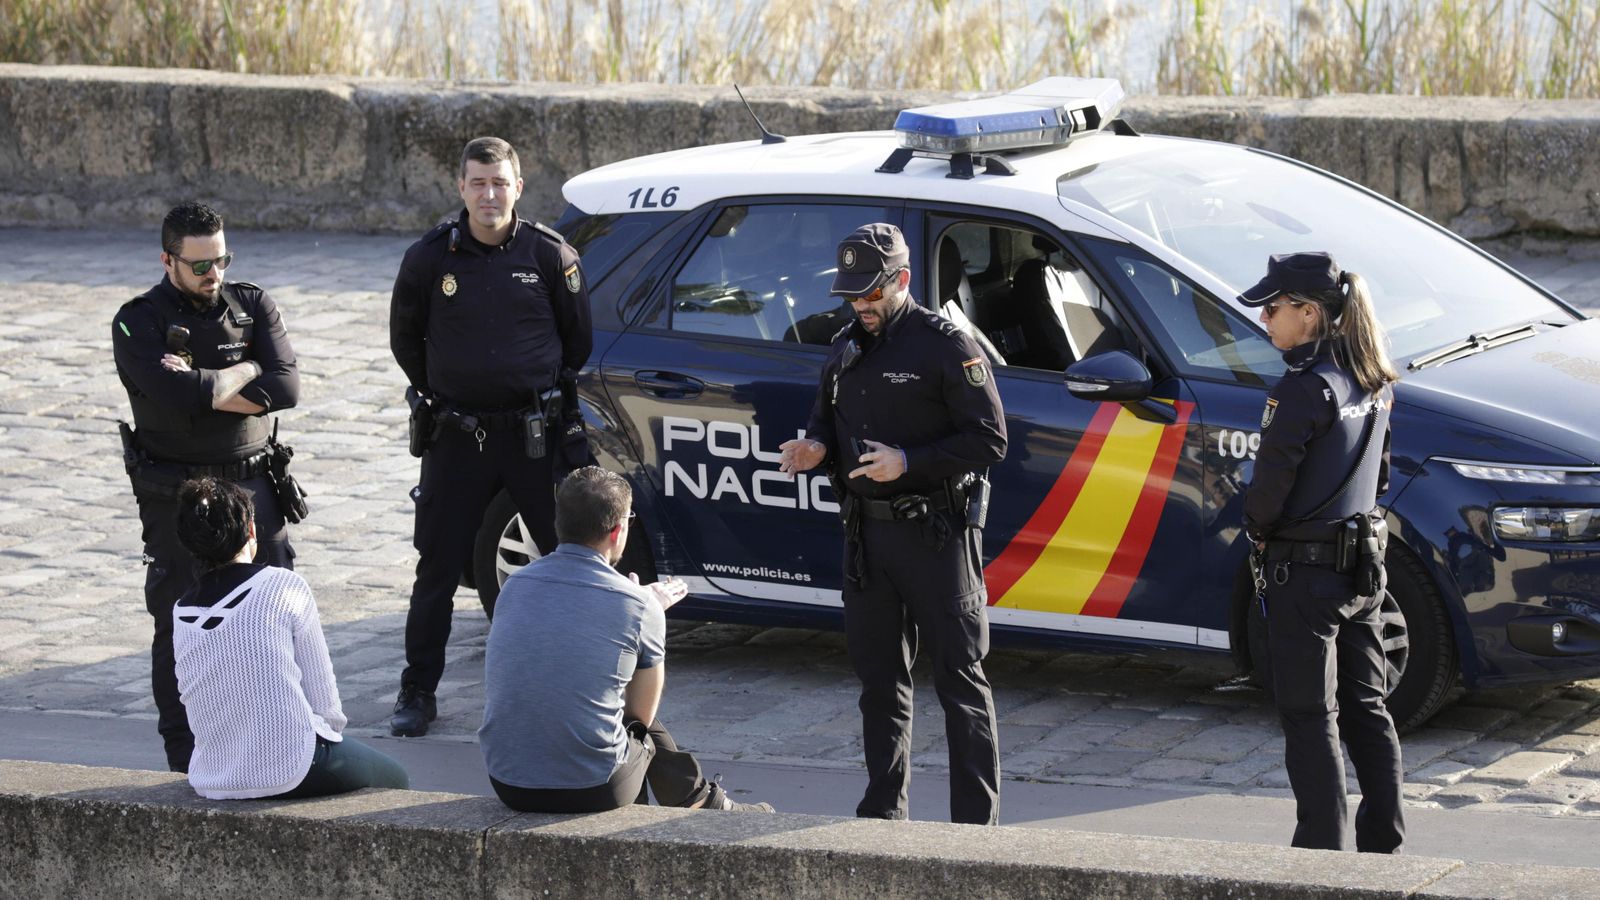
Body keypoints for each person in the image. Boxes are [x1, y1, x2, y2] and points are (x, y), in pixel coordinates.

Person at [777, 223, 1007, 825]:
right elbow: (825, 418)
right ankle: (883, 814)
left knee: (960, 681)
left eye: (871, 293)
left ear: (901, 281)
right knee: (879, 682)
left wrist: (910, 462)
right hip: (867, 539)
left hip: (935, 535)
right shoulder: (846, 344)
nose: (860, 306)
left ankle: (976, 828)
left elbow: (990, 439)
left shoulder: (946, 345)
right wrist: (816, 449)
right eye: (852, 295)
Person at [388, 136, 594, 737]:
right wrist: (451, 389)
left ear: (519, 187)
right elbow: (407, 342)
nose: (488, 194)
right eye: (478, 182)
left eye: (499, 182)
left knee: (569, 562)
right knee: (436, 568)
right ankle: (417, 690)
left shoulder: (550, 255)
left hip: (535, 436)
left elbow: (576, 342)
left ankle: (571, 686)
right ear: (460, 188)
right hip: (458, 437)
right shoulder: (429, 259)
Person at [112, 201, 302, 773]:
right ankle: (186, 758)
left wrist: (218, 381)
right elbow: (173, 395)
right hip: (179, 493)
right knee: (178, 619)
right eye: (198, 265)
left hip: (254, 485)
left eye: (220, 260)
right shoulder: (137, 320)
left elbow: (287, 386)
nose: (212, 274)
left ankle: (283, 740)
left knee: (271, 612)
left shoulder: (251, 304)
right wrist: (247, 372)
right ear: (167, 260)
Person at [479, 466, 772, 814]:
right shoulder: (638, 605)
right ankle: (701, 803)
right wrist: (647, 609)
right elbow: (640, 718)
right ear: (618, 530)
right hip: (591, 788)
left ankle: (701, 801)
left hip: (508, 781)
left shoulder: (515, 585)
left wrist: (635, 604)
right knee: (630, 730)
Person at [1238, 250, 1403, 853]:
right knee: (1367, 707)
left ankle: (1321, 853)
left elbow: (1267, 495)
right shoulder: (1373, 376)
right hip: (1362, 565)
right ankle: (1384, 843)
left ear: (1309, 314)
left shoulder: (1303, 390)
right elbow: (1380, 477)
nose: (1265, 321)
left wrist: (1257, 531)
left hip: (1304, 576)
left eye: (1274, 309)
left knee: (1311, 717)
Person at [171, 477, 408, 799]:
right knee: (396, 779)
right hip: (291, 765)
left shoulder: (180, 611)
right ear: (251, 531)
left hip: (213, 775)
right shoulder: (282, 584)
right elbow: (327, 708)